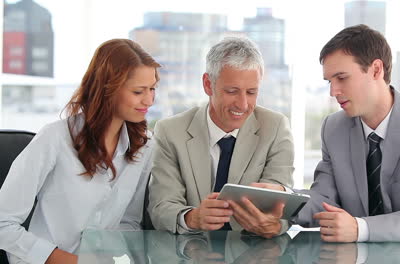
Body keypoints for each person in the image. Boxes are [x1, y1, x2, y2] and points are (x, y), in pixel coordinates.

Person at [257, 24, 400, 256]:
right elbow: (323, 199)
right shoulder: (333, 128)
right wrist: (282, 198)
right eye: (329, 81)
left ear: (376, 70)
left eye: (342, 78)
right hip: (357, 256)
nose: (333, 91)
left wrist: (359, 228)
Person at [0, 38, 160, 263]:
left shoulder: (145, 147)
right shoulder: (55, 138)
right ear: (108, 89)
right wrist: (71, 261)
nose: (149, 100)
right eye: (138, 91)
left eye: (152, 89)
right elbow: (3, 224)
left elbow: (128, 223)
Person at [148, 36, 294, 238]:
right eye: (232, 91)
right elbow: (160, 206)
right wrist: (192, 217)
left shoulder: (275, 127)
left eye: (251, 92)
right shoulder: (170, 131)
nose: (242, 105)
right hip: (191, 253)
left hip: (254, 252)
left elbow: (281, 205)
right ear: (208, 84)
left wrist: (275, 225)